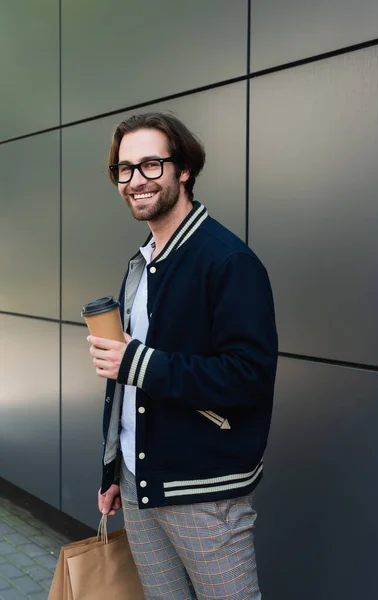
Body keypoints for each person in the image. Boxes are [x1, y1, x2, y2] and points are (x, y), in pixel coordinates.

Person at [87, 112, 278, 599]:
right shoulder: (143, 261)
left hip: (203, 493)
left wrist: (138, 362)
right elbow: (126, 383)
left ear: (184, 170)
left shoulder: (228, 262)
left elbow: (247, 377)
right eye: (124, 169)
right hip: (138, 483)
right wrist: (113, 470)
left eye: (151, 165)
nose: (135, 181)